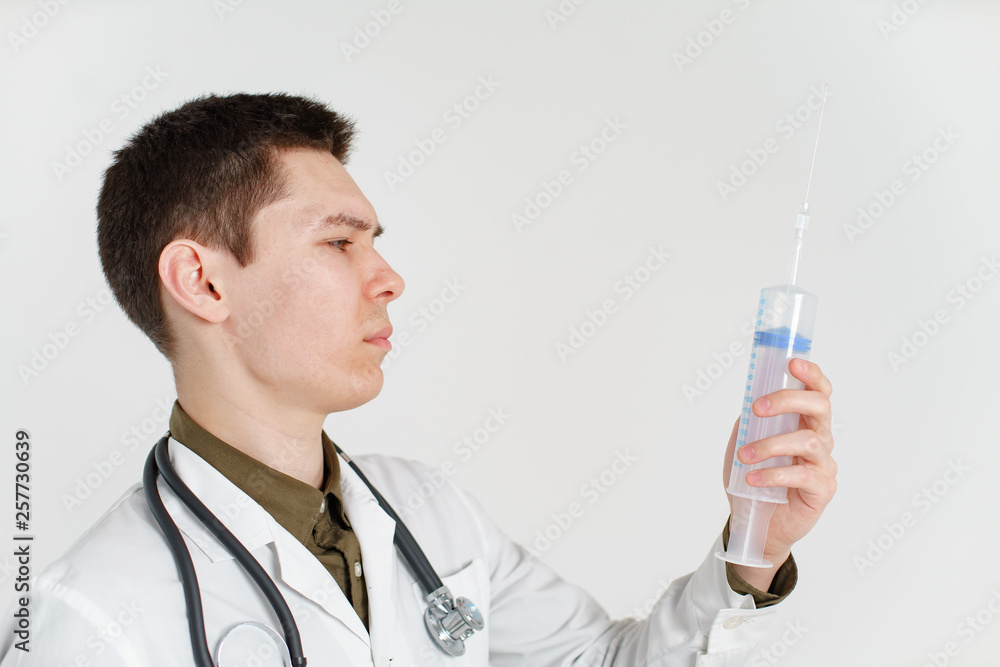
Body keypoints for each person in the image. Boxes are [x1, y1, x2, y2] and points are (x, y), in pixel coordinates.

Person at [0, 93, 837, 666]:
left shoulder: (428, 513)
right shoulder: (91, 617)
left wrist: (753, 546)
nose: (390, 277)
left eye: (376, 241)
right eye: (339, 241)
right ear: (204, 282)